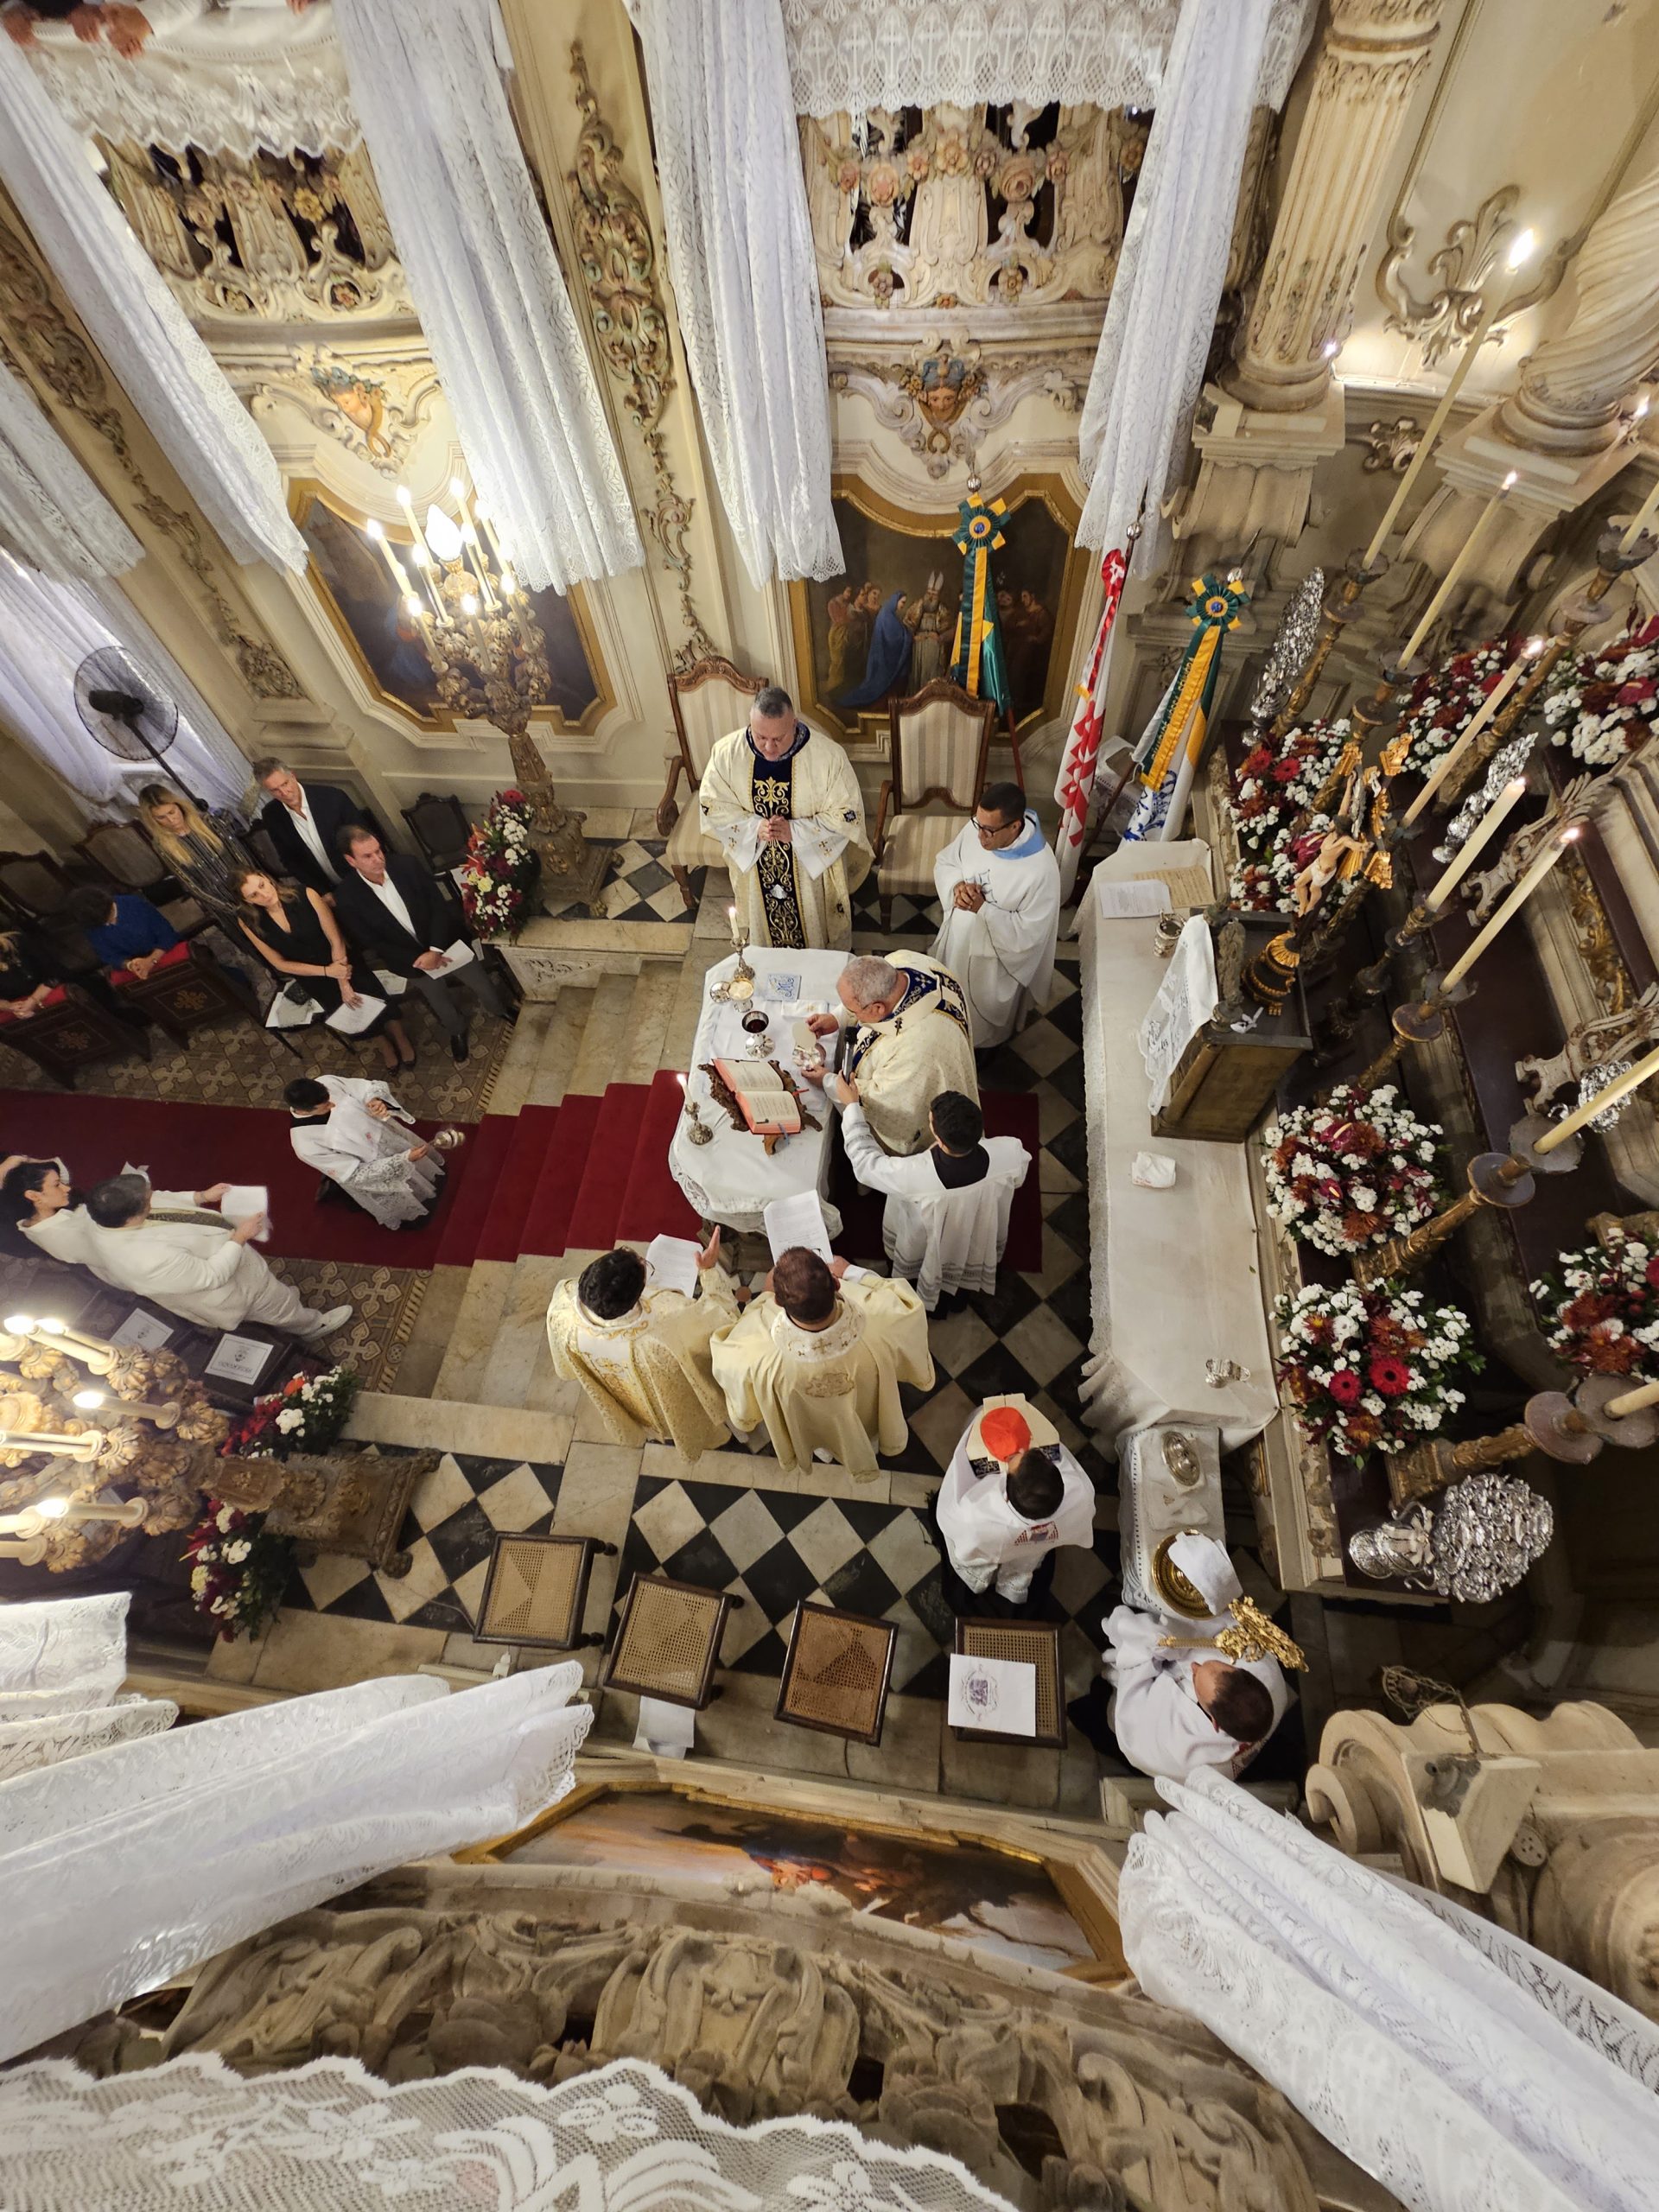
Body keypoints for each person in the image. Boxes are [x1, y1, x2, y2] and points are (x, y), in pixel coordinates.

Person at [710, 1245, 932, 1478]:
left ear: (778, 1301)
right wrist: (851, 1271)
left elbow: (726, 1361)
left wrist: (761, 1299)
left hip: (806, 1421)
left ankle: (825, 1452)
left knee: (819, 1434)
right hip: (867, 1411)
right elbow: (909, 1306)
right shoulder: (879, 1318)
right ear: (836, 1283)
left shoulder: (756, 1350)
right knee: (863, 1428)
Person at [1088, 1535, 1290, 1781]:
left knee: (1096, 1705)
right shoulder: (1262, 1669)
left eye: (1195, 1675)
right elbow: (1221, 1629)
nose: (1194, 1665)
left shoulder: (1179, 1747)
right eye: (1210, 1663)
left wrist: (1145, 1648)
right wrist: (1173, 1641)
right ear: (1241, 1671)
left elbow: (1134, 1716)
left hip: (1150, 1737)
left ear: (1213, 1722)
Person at [696, 684, 870, 952]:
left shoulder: (828, 757)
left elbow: (846, 815)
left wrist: (797, 832)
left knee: (814, 937)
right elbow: (711, 804)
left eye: (778, 738)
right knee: (765, 940)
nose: (769, 747)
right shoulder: (726, 754)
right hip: (756, 865)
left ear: (795, 725)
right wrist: (754, 827)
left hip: (807, 870)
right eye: (760, 736)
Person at [832, 1079, 1028, 1310]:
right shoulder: (1009, 1151)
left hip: (927, 1241)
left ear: (937, 1135)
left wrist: (852, 1107)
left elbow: (866, 1164)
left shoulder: (915, 1174)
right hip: (976, 1228)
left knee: (926, 1266)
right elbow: (1019, 1178)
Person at [81, 1172, 351, 1340]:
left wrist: (200, 1197)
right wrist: (240, 1238)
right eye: (147, 1200)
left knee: (276, 1292)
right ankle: (311, 1325)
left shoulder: (107, 1217)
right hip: (234, 1289)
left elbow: (160, 1198)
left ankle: (287, 1302)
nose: (154, 1197)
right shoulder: (144, 1261)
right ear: (131, 1216)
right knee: (278, 1308)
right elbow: (211, 1276)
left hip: (234, 1258)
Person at [544, 1233, 738, 1460]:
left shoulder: (561, 1309)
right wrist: (709, 1271)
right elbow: (722, 1317)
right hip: (668, 1397)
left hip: (623, 1396)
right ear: (638, 1292)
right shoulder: (666, 1324)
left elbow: (567, 1367)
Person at [330, 827, 507, 1067]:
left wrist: (434, 950)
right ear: (351, 861)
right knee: (437, 998)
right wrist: (420, 959)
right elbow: (370, 940)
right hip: (410, 962)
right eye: (367, 856)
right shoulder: (348, 896)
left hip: (445, 943)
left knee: (480, 981)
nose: (378, 859)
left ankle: (498, 1009)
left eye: (378, 851)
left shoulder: (407, 866)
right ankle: (456, 1028)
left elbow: (437, 905)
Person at [235, 868, 413, 1073]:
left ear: (266, 878)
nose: (264, 895)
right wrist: (327, 972)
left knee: (374, 998)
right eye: (253, 895)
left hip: (342, 961)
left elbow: (335, 938)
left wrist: (342, 980)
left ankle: (400, 1037)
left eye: (262, 885)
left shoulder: (305, 894)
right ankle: (383, 1043)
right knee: (352, 1012)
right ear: (247, 901)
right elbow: (279, 963)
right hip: (312, 976)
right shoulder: (247, 920)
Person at [804, 951, 976, 1156]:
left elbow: (885, 1101)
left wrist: (828, 1081)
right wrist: (837, 1017)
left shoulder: (916, 1051)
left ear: (877, 1008)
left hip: (929, 1085)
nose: (853, 1015)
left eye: (853, 1010)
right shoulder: (902, 961)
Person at [931, 781, 1061, 1049]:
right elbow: (947, 861)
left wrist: (984, 909)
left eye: (989, 831)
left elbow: (1028, 935)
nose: (980, 838)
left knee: (979, 1023)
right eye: (978, 825)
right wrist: (957, 887)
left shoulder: (1041, 870)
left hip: (992, 963)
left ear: (1015, 826)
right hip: (958, 940)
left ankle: (980, 1045)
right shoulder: (979, 827)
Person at [935, 1395, 1096, 1609]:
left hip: (994, 1546)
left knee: (984, 1560)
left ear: (1007, 1494)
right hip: (1037, 1544)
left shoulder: (975, 1511)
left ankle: (981, 1580)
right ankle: (1014, 1584)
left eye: (1013, 1461)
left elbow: (951, 1521)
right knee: (1026, 1559)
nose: (1021, 1451)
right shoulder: (1079, 1494)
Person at [284, 1075, 442, 1230]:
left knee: (422, 1169)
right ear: (303, 1112)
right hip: (375, 1165)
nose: (332, 1105)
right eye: (324, 1106)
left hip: (387, 1135)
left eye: (329, 1099)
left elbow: (366, 1088)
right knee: (400, 1193)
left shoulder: (327, 1082)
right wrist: (402, 1160)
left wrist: (374, 1100)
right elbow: (355, 1174)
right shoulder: (305, 1144)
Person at [251, 755, 372, 896]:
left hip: (363, 878)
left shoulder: (332, 797)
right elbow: (290, 860)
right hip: (330, 893)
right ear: (268, 791)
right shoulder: (271, 815)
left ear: (293, 776)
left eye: (285, 784)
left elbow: (364, 837)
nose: (284, 793)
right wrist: (321, 892)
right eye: (275, 790)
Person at [137, 783, 258, 924]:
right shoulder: (162, 846)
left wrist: (254, 883)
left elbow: (239, 853)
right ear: (152, 820)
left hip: (249, 885)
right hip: (219, 901)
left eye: (172, 812)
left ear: (179, 806)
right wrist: (230, 908)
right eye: (161, 817)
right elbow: (191, 884)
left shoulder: (208, 822)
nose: (171, 820)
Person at [63, 884, 180, 980]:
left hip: (163, 951)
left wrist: (151, 960)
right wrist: (130, 965)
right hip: (136, 965)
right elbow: (109, 956)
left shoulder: (133, 904)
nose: (107, 923)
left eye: (108, 918)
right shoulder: (91, 926)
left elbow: (167, 934)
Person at [836, 588, 912, 711]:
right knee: (882, 688)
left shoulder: (889, 613)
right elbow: (895, 639)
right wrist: (909, 635)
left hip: (883, 655)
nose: (903, 605)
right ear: (896, 601)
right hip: (884, 659)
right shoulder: (887, 614)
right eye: (902, 602)